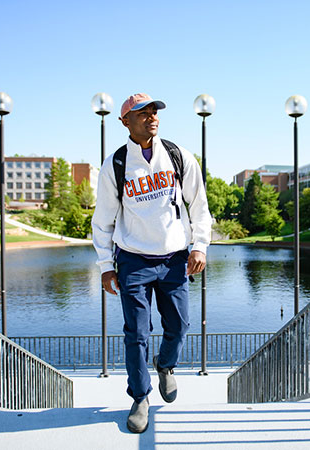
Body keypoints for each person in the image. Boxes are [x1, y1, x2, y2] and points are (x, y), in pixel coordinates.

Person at [92, 93, 212, 433]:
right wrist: (105, 265)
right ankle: (140, 396)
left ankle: (166, 364)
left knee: (180, 325)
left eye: (154, 112)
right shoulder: (115, 165)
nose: (151, 117)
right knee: (137, 333)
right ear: (124, 121)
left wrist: (200, 245)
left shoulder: (177, 156)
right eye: (142, 113)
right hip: (133, 261)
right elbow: (102, 221)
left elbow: (198, 205)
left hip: (175, 259)